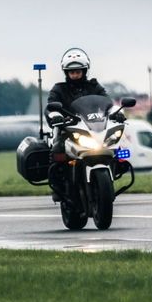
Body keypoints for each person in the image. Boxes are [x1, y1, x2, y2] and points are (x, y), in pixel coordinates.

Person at [45, 48, 124, 200]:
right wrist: (56, 116)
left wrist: (117, 112)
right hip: (68, 129)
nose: (75, 75)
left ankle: (116, 170)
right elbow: (51, 106)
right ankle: (59, 186)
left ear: (84, 71)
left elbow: (108, 103)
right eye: (71, 72)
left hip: (94, 127)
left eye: (78, 71)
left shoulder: (94, 86)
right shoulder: (59, 89)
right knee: (58, 151)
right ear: (66, 72)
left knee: (119, 149)